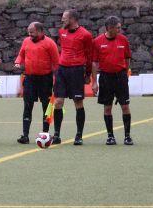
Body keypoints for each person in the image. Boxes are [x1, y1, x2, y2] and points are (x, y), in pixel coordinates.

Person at [14, 22, 60, 144]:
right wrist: (18, 62)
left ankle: (45, 133)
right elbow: (21, 55)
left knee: (47, 106)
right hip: (29, 79)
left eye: (32, 32)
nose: (30, 35)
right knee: (27, 106)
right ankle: (25, 136)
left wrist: (57, 80)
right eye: (28, 32)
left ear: (40, 31)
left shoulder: (50, 43)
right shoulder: (26, 41)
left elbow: (56, 63)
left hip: (45, 79)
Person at [54, 9, 94, 146]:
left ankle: (79, 135)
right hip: (62, 70)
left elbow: (89, 55)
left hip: (77, 71)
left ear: (72, 19)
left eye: (64, 18)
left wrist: (88, 74)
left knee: (78, 102)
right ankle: (57, 135)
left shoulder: (85, 35)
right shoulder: (61, 31)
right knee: (58, 102)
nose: (62, 20)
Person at [92, 16, 132, 146]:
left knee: (125, 106)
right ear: (109, 28)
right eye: (118, 28)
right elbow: (94, 63)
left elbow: (127, 58)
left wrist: (125, 73)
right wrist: (94, 82)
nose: (120, 30)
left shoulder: (123, 40)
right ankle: (110, 136)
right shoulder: (97, 41)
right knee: (107, 108)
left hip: (120, 77)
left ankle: (127, 136)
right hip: (105, 78)